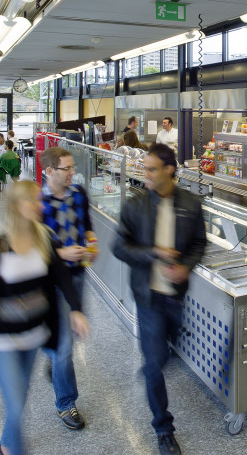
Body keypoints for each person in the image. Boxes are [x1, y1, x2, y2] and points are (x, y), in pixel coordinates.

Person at [113, 143, 206, 455]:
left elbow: (198, 244)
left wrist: (185, 266)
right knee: (154, 363)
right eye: (145, 167)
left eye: (151, 168)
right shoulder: (136, 205)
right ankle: (163, 428)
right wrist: (153, 253)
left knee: (165, 355)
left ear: (170, 170)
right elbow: (118, 247)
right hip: (148, 297)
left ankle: (155, 360)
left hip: (176, 297)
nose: (145, 173)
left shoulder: (191, 204)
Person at [0, 180, 89, 455]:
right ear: (16, 206)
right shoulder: (2, 242)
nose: (39, 206)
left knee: (20, 399)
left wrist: (75, 310)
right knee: (15, 404)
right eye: (32, 201)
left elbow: (61, 276)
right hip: (5, 338)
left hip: (35, 332)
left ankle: (5, 443)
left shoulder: (44, 236)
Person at [40, 147, 98, 430]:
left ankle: (53, 356)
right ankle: (66, 404)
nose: (73, 173)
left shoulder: (78, 195)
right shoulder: (37, 204)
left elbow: (86, 226)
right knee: (63, 347)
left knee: (71, 333)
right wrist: (62, 254)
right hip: (50, 282)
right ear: (50, 171)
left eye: (73, 167)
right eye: (67, 168)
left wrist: (91, 242)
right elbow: (34, 250)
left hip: (77, 277)